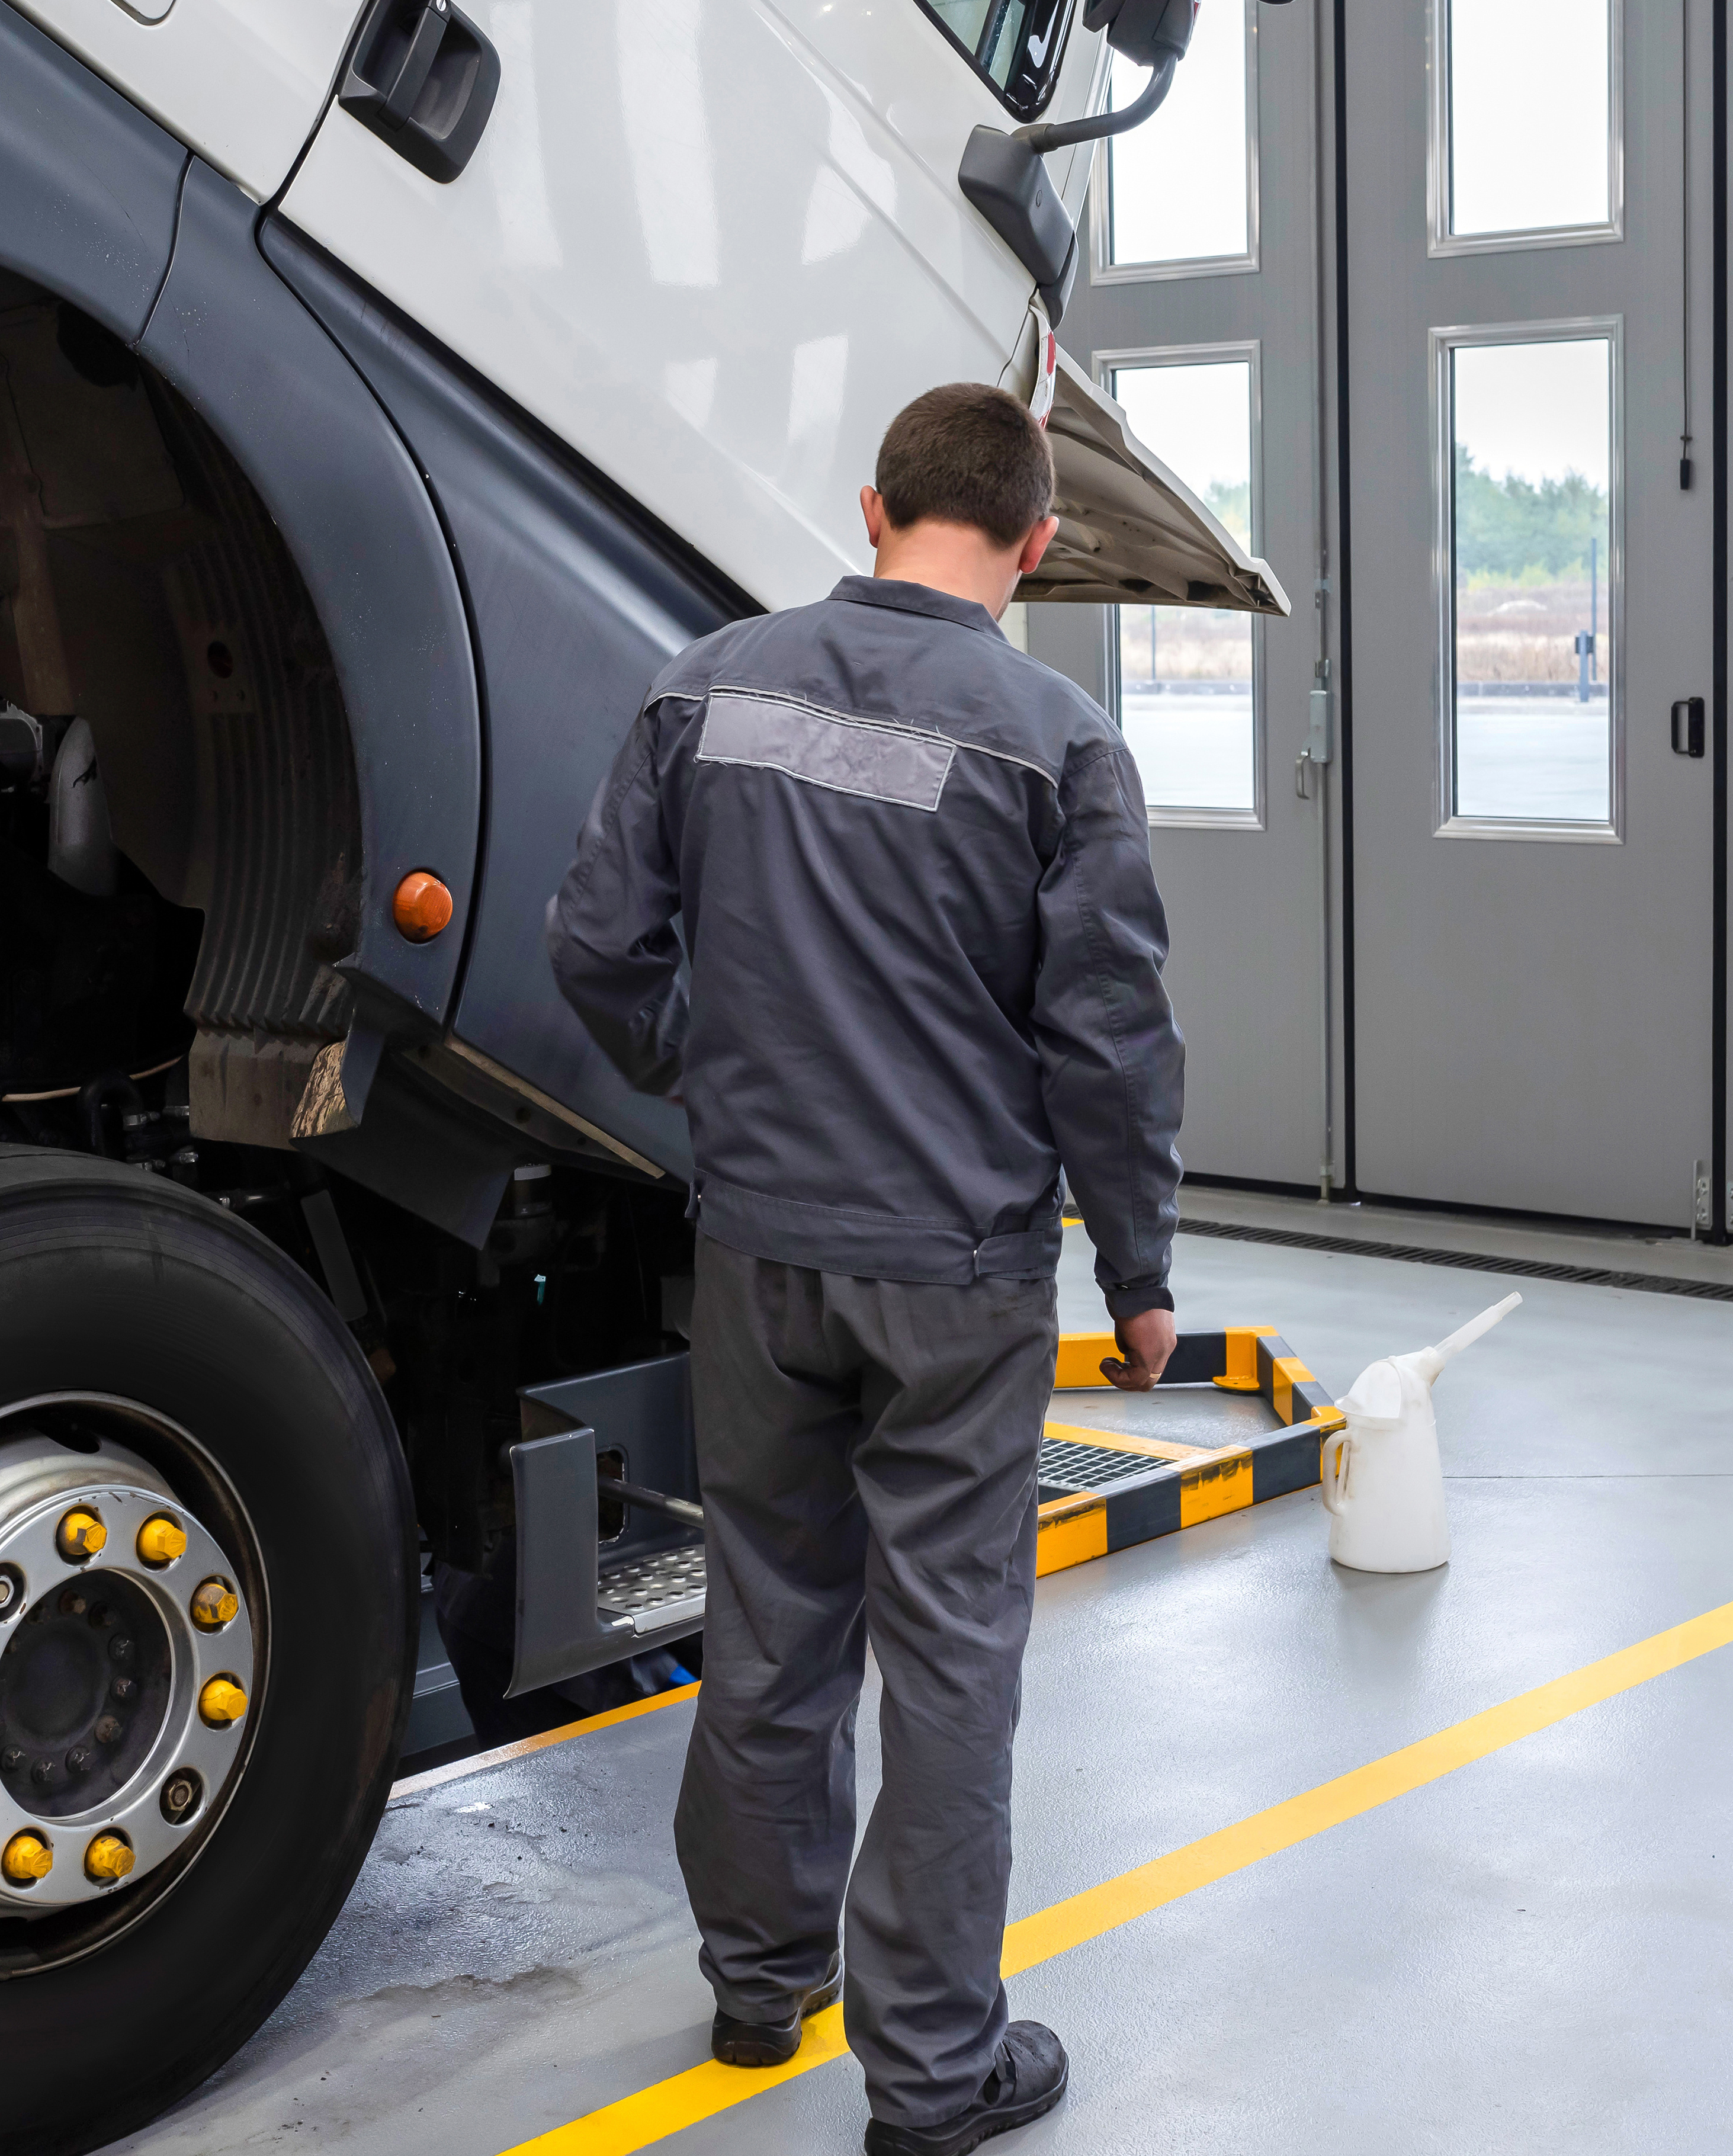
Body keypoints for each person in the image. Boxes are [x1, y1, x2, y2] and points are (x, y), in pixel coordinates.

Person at [547, 382, 1185, 2156]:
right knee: (953, 1657)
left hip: (757, 1247)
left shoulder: (705, 684)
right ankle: (931, 2076)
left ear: (872, 503)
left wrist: (713, 1075)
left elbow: (597, 941)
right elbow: (1109, 1042)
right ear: (1036, 545)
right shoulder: (1056, 742)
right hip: (958, 1268)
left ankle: (761, 1990)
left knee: (768, 1619)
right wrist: (1137, 1274)